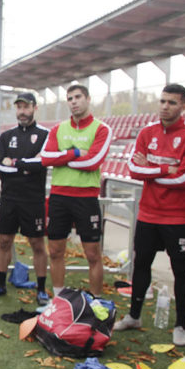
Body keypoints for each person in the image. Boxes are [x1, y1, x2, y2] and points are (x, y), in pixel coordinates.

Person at [111, 84, 185, 346]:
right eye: (162, 101)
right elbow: (132, 170)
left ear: (184, 105)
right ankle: (134, 316)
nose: (165, 106)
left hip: (179, 217)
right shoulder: (147, 132)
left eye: (172, 102)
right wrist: (166, 168)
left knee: (180, 270)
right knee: (141, 265)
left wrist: (150, 168)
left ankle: (180, 326)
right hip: (148, 214)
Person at [39, 84, 112, 298]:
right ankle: (59, 299)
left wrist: (62, 157)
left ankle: (96, 301)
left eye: (78, 97)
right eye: (70, 98)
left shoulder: (102, 129)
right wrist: (76, 152)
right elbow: (45, 159)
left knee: (92, 254)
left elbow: (94, 162)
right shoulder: (58, 129)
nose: (73, 101)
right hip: (59, 197)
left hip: (86, 198)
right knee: (55, 251)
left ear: (88, 99)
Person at [0, 92, 50, 304]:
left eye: (26, 107)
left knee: (37, 243)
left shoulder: (44, 135)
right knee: (4, 241)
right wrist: (25, 166)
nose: (22, 111)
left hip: (33, 199)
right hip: (9, 198)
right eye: (19, 107)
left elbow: (42, 163)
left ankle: (41, 289)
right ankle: (0, 284)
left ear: (34, 108)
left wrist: (14, 162)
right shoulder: (6, 136)